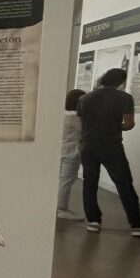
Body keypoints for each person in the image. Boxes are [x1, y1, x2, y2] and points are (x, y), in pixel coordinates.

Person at [77, 68, 140, 236]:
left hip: (88, 145)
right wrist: (113, 126)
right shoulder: (124, 98)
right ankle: (136, 224)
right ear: (121, 81)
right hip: (111, 146)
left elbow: (81, 123)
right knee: (124, 183)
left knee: (89, 182)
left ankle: (93, 221)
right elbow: (129, 124)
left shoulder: (84, 98)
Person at [57, 89, 86, 221]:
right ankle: (61, 209)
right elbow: (85, 131)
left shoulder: (61, 114)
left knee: (60, 181)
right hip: (71, 152)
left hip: (60, 150)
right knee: (66, 181)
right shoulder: (75, 117)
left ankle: (57, 207)